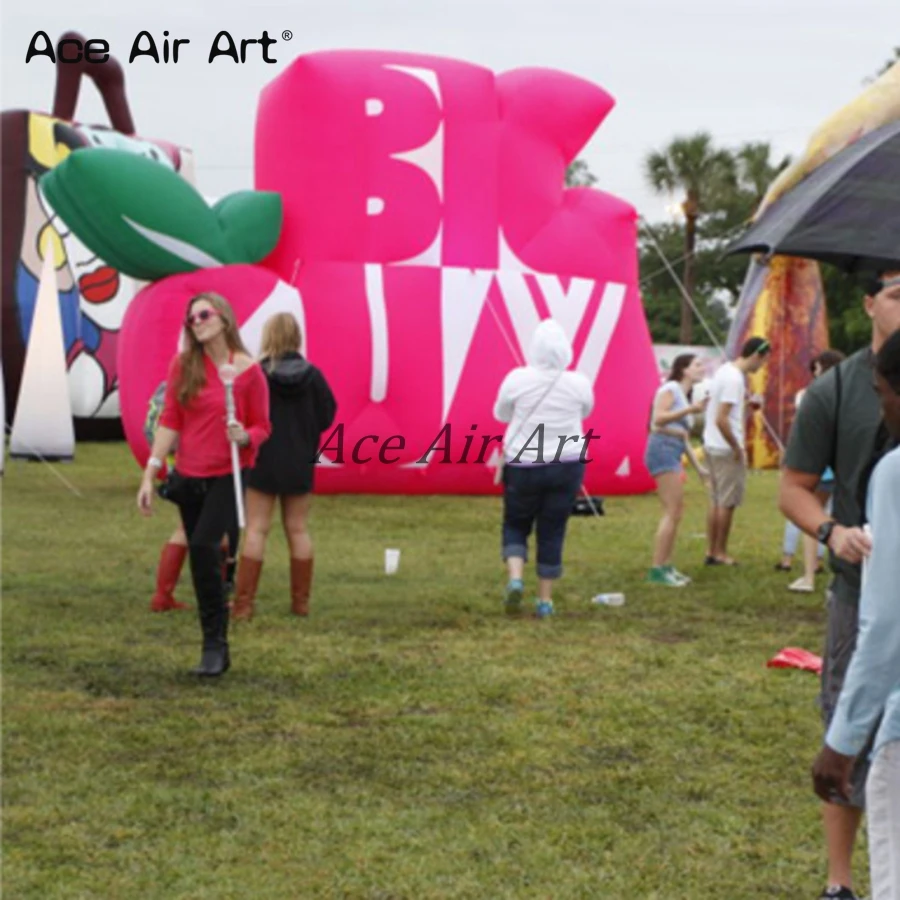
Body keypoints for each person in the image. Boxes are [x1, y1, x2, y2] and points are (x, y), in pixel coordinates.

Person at [780, 272, 900, 900]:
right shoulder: (837, 388)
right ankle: (840, 880)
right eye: (899, 293)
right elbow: (793, 487)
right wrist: (832, 532)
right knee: (847, 720)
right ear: (868, 304)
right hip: (862, 585)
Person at [137, 292, 271, 677]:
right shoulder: (183, 366)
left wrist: (245, 436)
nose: (196, 322)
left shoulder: (248, 372)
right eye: (190, 319)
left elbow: (264, 425)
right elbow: (171, 419)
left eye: (203, 315)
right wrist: (151, 470)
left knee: (202, 544)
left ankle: (216, 645)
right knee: (201, 556)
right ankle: (213, 640)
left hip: (229, 473)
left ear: (224, 319)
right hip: (190, 475)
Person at [811, 326, 900, 900]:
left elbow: (888, 625)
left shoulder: (894, 472)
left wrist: (843, 739)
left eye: (883, 391)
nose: (882, 406)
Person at [232, 313, 336, 621]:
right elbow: (327, 416)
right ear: (297, 337)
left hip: (262, 459)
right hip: (300, 461)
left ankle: (244, 605)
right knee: (298, 529)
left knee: (256, 529)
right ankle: (300, 603)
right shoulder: (314, 376)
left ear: (268, 336)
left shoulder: (257, 375)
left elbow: (245, 415)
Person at [493, 319, 593, 619]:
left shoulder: (517, 378)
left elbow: (500, 414)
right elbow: (586, 410)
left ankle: (515, 578)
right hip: (567, 462)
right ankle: (545, 600)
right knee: (553, 529)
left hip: (523, 463)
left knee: (515, 523)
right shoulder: (579, 382)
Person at [776, 350, 846, 593]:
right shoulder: (847, 393)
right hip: (839, 467)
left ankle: (809, 576)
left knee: (812, 522)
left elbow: (802, 433)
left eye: (816, 369)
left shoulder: (813, 396)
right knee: (840, 518)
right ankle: (838, 577)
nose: (814, 373)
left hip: (817, 467)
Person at [702, 336, 771, 565]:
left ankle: (711, 551)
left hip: (711, 444)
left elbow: (724, 413)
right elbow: (723, 419)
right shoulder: (735, 379)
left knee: (715, 500)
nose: (760, 367)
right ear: (755, 356)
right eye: (762, 362)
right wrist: (736, 448)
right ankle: (720, 552)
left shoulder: (724, 371)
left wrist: (747, 409)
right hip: (725, 447)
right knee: (727, 503)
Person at [644, 353, 709, 586]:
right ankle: (658, 569)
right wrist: (690, 410)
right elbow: (657, 419)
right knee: (672, 510)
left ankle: (666, 565)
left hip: (672, 452)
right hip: (661, 451)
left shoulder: (683, 394)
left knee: (676, 511)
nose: (702, 368)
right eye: (698, 365)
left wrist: (699, 468)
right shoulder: (670, 388)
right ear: (684, 369)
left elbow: (682, 436)